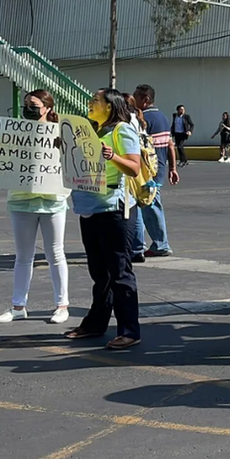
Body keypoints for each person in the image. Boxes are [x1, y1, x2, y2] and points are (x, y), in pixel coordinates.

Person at [63, 89, 143, 350]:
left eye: (95, 100)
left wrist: (113, 156)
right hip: (89, 206)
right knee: (99, 272)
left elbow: (134, 167)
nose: (90, 103)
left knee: (119, 271)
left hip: (113, 209)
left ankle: (130, 330)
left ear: (109, 106)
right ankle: (96, 324)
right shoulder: (91, 130)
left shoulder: (121, 130)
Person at [0, 90, 70, 324]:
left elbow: (73, 160)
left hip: (52, 200)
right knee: (23, 256)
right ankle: (18, 305)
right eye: (25, 105)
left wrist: (66, 147)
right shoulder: (12, 132)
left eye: (34, 105)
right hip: (21, 199)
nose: (28, 109)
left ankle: (62, 305)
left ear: (48, 108)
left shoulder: (60, 132)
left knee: (55, 253)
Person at [130, 85, 177, 260]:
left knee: (146, 208)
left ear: (146, 100)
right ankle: (155, 243)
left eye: (136, 98)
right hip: (159, 172)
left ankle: (158, 244)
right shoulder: (163, 118)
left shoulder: (143, 119)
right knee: (150, 206)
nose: (134, 102)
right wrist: (173, 168)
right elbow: (170, 145)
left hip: (146, 173)